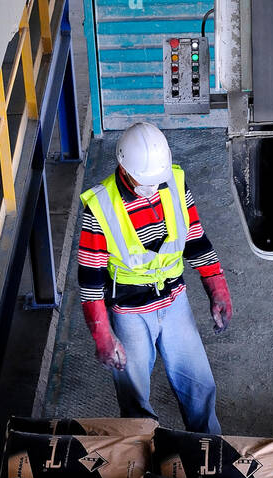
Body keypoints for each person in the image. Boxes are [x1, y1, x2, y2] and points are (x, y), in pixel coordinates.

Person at [79, 121, 232, 430]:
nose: (153, 187)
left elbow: (195, 239)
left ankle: (209, 454)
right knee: (134, 398)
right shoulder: (101, 207)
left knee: (200, 386)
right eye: (145, 181)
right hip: (130, 312)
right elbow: (90, 280)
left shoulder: (173, 182)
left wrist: (218, 288)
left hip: (175, 301)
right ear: (123, 167)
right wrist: (103, 335)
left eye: (156, 180)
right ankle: (143, 460)